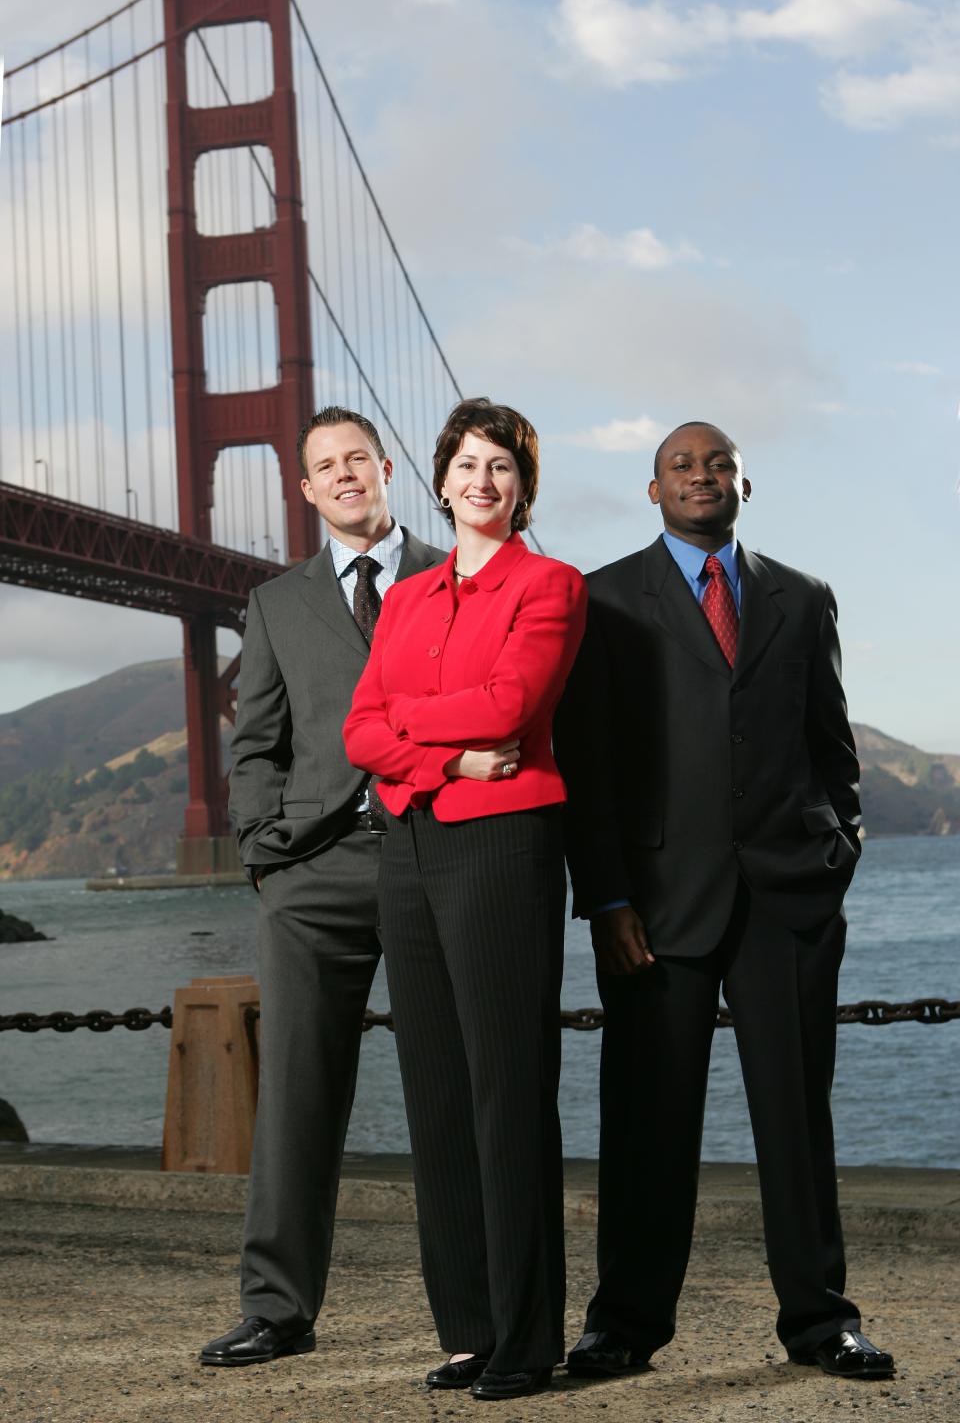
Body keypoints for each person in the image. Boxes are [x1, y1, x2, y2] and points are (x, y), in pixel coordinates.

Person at [555, 421, 895, 1382]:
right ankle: (621, 1325)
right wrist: (609, 895)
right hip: (657, 908)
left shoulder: (803, 596)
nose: (700, 476)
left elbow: (833, 746)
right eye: (679, 465)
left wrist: (839, 850)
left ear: (748, 483)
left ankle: (822, 1322)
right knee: (646, 1121)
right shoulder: (606, 596)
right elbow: (592, 766)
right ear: (650, 489)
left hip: (789, 900)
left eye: (717, 464)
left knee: (797, 1118)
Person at [343, 398, 586, 1401]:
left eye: (502, 467)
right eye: (468, 464)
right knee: (438, 1093)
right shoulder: (403, 598)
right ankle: (471, 1329)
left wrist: (412, 731)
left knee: (505, 1088)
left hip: (502, 847)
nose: (482, 482)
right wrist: (444, 755)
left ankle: (528, 1339)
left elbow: (513, 708)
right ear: (439, 480)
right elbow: (363, 729)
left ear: (523, 488)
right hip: (409, 841)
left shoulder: (552, 585)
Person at [200, 406, 446, 1367]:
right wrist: (266, 853)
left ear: (386, 468)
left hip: (437, 856)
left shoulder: (456, 567)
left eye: (357, 459)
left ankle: (475, 1313)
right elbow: (254, 740)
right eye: (323, 467)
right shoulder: (273, 603)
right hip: (312, 873)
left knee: (454, 1090)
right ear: (304, 490)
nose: (344, 476)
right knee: (298, 1095)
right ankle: (278, 1306)